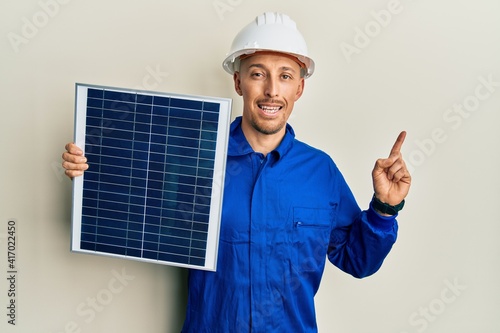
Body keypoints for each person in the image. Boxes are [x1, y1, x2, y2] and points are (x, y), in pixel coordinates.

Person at [62, 12, 411, 333]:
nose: (272, 90)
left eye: (285, 76)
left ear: (299, 89)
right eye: (258, 73)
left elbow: (358, 260)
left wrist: (384, 208)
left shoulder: (321, 173)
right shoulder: (193, 160)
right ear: (238, 82)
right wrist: (93, 172)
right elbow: (134, 208)